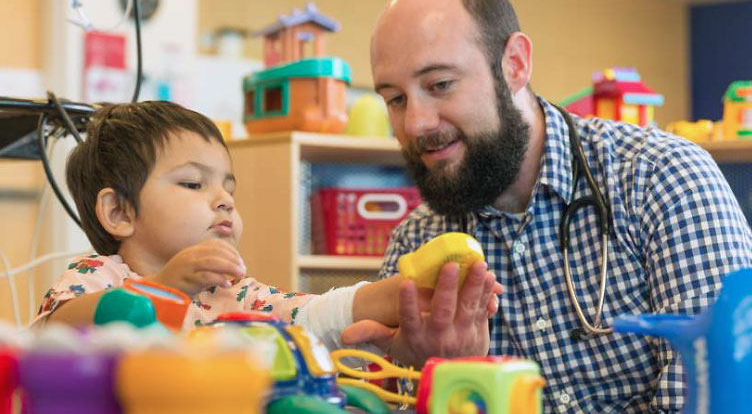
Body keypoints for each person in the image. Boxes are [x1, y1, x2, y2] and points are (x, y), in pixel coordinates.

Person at [364, 0, 752, 412]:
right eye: (395, 98)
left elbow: (715, 398)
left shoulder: (663, 180)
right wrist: (442, 381)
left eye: (440, 85)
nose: (415, 123)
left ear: (515, 65)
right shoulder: (417, 243)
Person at [34, 100, 501, 360]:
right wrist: (165, 289)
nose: (224, 199)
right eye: (194, 183)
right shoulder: (96, 276)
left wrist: (407, 294)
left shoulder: (236, 294)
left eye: (227, 187)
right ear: (118, 212)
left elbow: (314, 315)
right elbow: (55, 335)